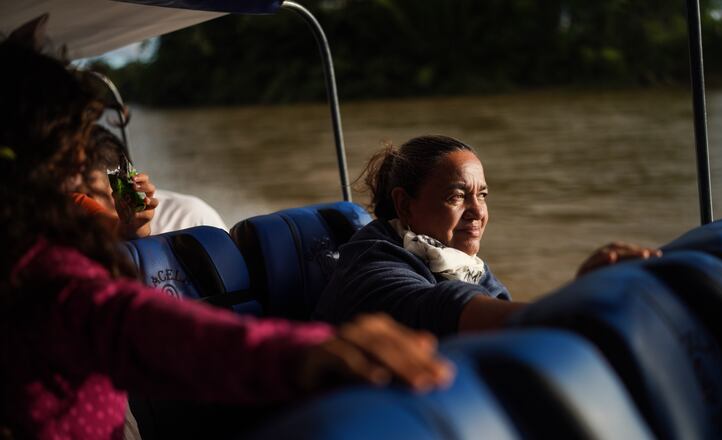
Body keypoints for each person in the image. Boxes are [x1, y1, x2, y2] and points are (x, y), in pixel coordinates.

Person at [0, 35, 453, 440]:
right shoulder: (47, 278)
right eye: (75, 153)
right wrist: (308, 354)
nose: (84, 166)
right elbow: (161, 333)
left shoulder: (32, 254)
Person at [313, 135, 661, 336]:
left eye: (482, 195)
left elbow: (503, 313)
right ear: (404, 205)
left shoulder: (463, 265)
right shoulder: (372, 265)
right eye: (456, 196)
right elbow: (440, 308)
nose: (478, 212)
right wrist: (579, 299)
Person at [78, 125, 228, 235]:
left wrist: (134, 227)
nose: (77, 208)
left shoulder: (189, 217)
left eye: (88, 193)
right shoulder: (65, 236)